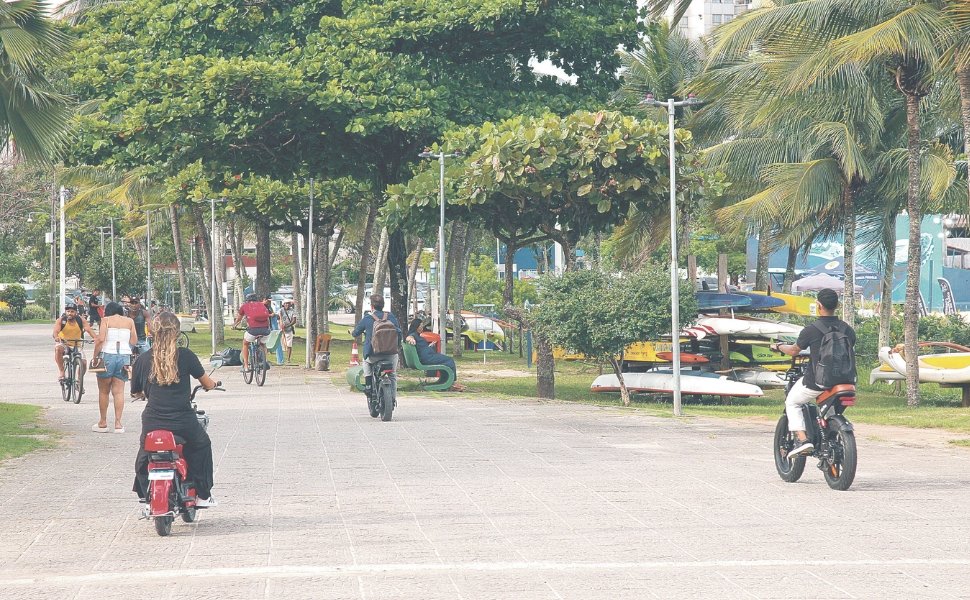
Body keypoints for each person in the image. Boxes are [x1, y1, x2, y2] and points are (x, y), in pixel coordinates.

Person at [131, 312, 219, 507]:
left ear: (152, 332)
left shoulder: (143, 360)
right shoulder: (186, 356)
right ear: (177, 333)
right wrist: (212, 385)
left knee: (145, 453)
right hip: (183, 420)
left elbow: (136, 391)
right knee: (201, 445)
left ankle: (145, 494)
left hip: (153, 420)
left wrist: (145, 393)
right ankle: (202, 495)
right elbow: (206, 381)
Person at [771, 288, 856, 457]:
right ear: (837, 305)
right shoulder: (847, 329)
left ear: (818, 305)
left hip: (819, 381)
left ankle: (803, 440)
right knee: (830, 410)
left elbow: (794, 350)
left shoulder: (811, 330)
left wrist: (779, 346)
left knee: (792, 402)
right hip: (846, 381)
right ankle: (829, 430)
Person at [91, 302, 137, 433]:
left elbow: (100, 340)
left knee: (103, 391)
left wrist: (95, 356)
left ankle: (103, 422)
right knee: (119, 391)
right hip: (124, 357)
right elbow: (134, 341)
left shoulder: (105, 320)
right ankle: (118, 423)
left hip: (107, 355)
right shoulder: (129, 321)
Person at [350, 294, 402, 400]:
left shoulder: (368, 318)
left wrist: (353, 333)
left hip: (373, 354)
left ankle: (368, 384)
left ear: (372, 307)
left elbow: (356, 333)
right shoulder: (391, 316)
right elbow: (399, 332)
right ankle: (392, 399)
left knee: (366, 362)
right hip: (391, 355)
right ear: (383, 306)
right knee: (392, 376)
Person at [405, 317, 465, 391]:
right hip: (427, 358)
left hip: (427, 356)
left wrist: (429, 346)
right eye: (420, 326)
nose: (422, 327)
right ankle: (452, 383)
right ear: (416, 326)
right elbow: (409, 337)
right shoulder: (413, 335)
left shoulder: (417, 335)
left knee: (446, 361)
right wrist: (411, 339)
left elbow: (421, 347)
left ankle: (445, 381)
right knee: (450, 361)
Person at [53, 304, 97, 387]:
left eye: (72, 311)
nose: (70, 313)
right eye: (68, 311)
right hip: (64, 343)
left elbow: (88, 329)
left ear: (76, 312)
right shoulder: (61, 320)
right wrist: (56, 337)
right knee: (58, 349)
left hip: (77, 344)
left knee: (83, 363)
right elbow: (55, 331)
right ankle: (62, 372)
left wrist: (95, 338)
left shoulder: (80, 320)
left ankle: (79, 381)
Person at [232, 293, 271, 372]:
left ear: (247, 300)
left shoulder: (245, 306)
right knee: (263, 344)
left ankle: (246, 366)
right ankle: (264, 361)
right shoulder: (262, 305)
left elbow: (239, 318)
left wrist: (234, 325)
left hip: (253, 330)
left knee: (245, 343)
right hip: (266, 330)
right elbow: (267, 318)